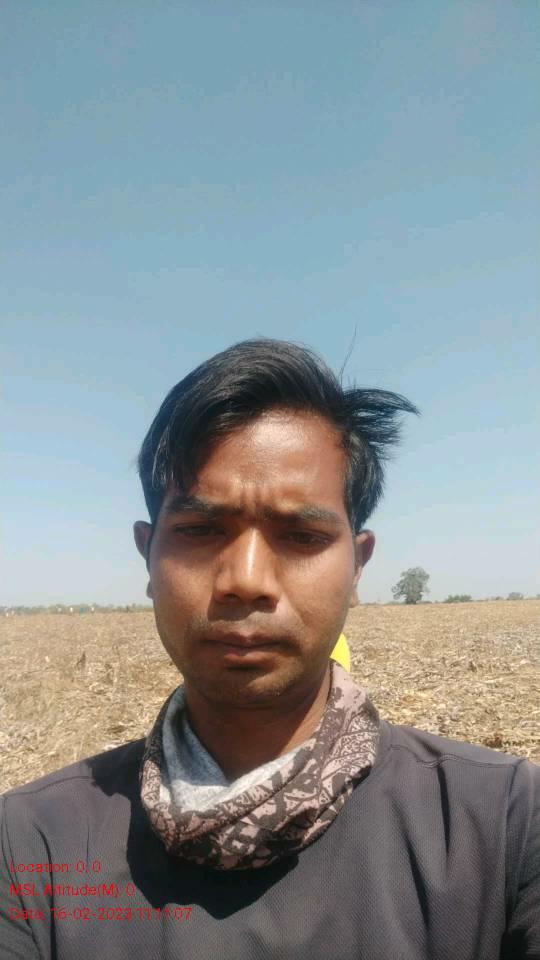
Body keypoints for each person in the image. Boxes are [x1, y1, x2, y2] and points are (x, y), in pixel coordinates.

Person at [1, 338, 538, 960]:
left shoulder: (502, 824)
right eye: (200, 530)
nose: (246, 580)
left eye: (302, 535)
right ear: (148, 557)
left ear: (358, 567)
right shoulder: (34, 847)